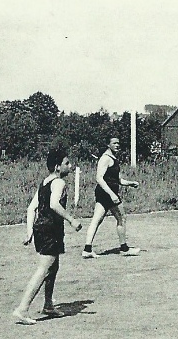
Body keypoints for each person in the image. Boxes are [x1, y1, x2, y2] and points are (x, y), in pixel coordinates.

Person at [13, 149, 82, 324]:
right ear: (58, 167)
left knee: (54, 266)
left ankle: (48, 305)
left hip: (44, 229)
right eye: (67, 163)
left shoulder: (44, 183)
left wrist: (30, 231)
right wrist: (72, 220)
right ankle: (22, 309)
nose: (70, 166)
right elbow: (54, 205)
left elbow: (31, 208)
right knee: (44, 270)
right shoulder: (59, 183)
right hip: (50, 229)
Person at [82, 137, 141, 258]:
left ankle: (87, 249)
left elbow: (118, 180)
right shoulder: (105, 159)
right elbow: (99, 178)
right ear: (108, 144)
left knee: (97, 219)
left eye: (118, 143)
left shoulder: (114, 159)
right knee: (121, 218)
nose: (117, 145)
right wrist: (111, 194)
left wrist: (130, 183)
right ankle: (124, 248)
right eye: (114, 143)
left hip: (108, 192)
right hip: (106, 193)